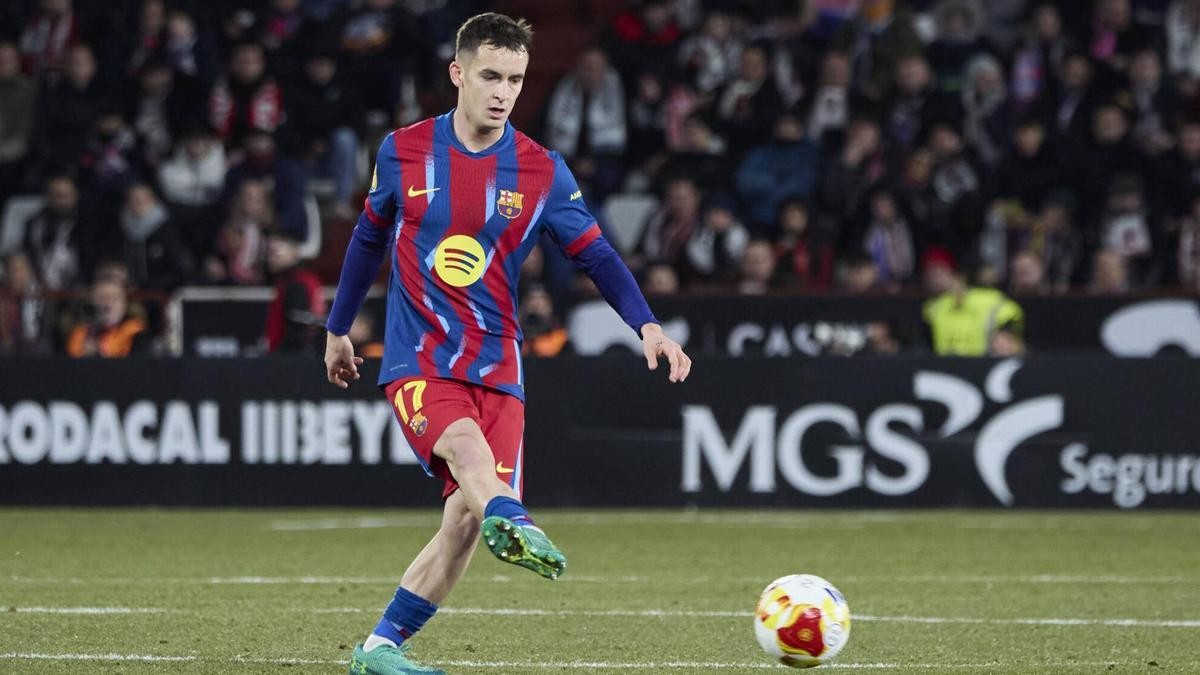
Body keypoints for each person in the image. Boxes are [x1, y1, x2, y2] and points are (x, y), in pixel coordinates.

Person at [322, 14, 691, 675]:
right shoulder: (403, 150)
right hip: (419, 355)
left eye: (515, 80)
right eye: (490, 75)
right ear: (458, 73)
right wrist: (338, 327)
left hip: (500, 362)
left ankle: (380, 648)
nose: (502, 92)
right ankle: (518, 521)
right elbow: (368, 237)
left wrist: (647, 324)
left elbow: (596, 252)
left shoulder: (540, 170)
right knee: (468, 454)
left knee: (465, 520)